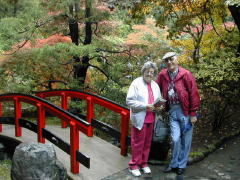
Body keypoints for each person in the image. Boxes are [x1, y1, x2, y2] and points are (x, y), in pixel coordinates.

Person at [156, 52, 200, 175]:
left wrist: (193, 113)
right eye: (166, 61)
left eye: (171, 59)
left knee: (186, 139)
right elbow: (156, 89)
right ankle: (174, 163)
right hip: (172, 111)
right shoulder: (163, 75)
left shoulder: (186, 74)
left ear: (177, 60)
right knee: (175, 139)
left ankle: (181, 164)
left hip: (185, 111)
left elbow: (194, 94)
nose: (169, 62)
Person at [126, 61, 163, 177]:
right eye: (147, 72)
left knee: (147, 143)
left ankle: (144, 163)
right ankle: (134, 165)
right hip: (140, 118)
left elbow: (158, 99)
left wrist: (159, 106)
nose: (150, 74)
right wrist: (145, 106)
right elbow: (129, 101)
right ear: (143, 71)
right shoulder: (136, 83)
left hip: (151, 117)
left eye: (152, 72)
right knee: (138, 143)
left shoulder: (155, 85)